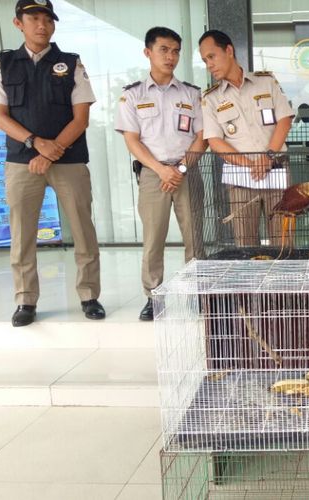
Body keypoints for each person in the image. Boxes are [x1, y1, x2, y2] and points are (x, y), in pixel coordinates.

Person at [0, 0, 104, 327]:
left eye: (47, 18)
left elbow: (81, 118)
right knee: (22, 233)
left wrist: (53, 150)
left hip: (70, 159)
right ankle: (25, 301)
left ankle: (89, 294)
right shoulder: (4, 63)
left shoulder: (71, 62)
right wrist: (36, 144)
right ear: (18, 23)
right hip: (22, 161)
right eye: (33, 18)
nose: (41, 24)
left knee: (83, 228)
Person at [114, 27, 206, 321]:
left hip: (187, 171)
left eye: (176, 50)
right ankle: (153, 296)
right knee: (154, 237)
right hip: (153, 174)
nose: (171, 56)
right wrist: (161, 169)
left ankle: (198, 294)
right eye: (164, 49)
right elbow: (132, 140)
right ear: (148, 52)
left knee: (195, 236)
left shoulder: (191, 93)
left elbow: (201, 136)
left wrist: (179, 168)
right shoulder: (132, 95)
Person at [198, 30, 294, 249]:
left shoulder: (266, 82)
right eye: (205, 60)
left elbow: (284, 120)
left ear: (229, 50)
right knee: (246, 244)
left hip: (276, 170)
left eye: (212, 57)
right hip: (241, 176)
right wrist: (252, 165)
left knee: (283, 239)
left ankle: (284, 282)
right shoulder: (211, 98)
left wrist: (268, 157)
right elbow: (214, 141)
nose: (209, 65)